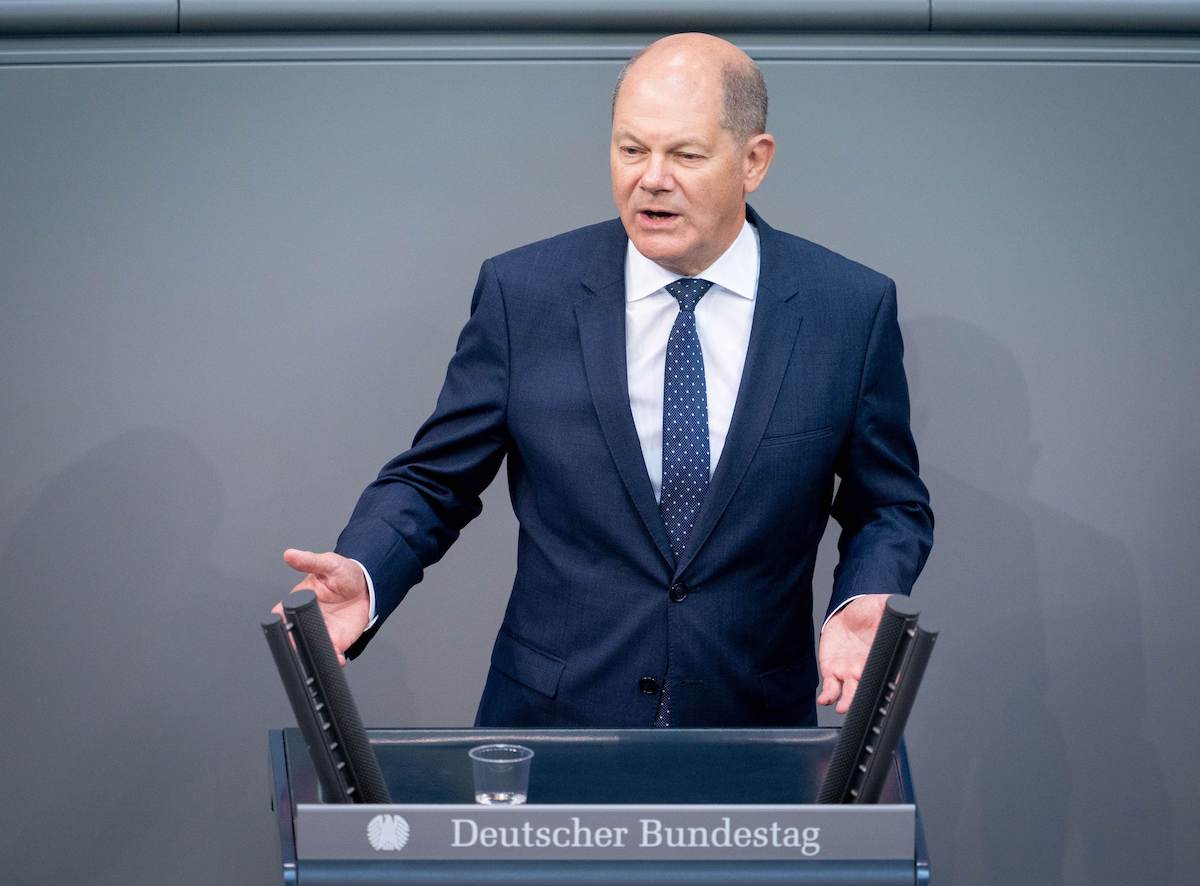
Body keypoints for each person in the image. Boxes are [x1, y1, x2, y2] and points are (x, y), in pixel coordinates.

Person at [276, 33, 932, 728]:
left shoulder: (847, 309)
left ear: (754, 162)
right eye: (630, 149)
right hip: (552, 722)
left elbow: (888, 504)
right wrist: (368, 572)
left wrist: (865, 596)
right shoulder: (524, 293)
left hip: (753, 723)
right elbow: (434, 480)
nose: (651, 178)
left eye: (685, 154)